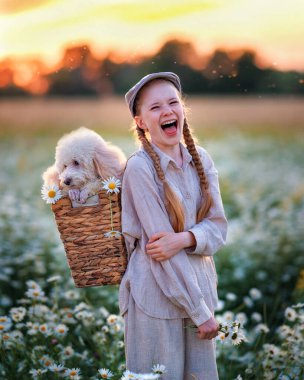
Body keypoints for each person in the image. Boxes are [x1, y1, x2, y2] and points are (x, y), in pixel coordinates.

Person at [119, 72, 228, 380]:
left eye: (173, 103)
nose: (167, 111)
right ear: (141, 122)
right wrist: (200, 313)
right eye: (155, 108)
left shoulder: (201, 159)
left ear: (182, 110)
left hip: (200, 293)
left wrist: (183, 239)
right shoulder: (139, 169)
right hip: (155, 299)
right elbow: (160, 252)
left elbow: (218, 229)